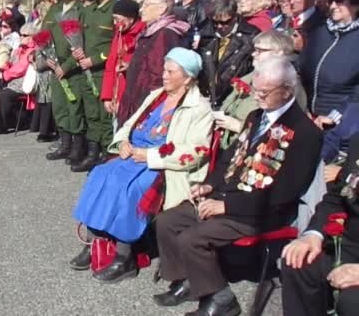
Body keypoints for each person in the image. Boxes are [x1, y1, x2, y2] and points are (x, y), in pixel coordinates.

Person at [153, 57, 322, 316]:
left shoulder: (304, 132)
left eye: (263, 92)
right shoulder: (257, 116)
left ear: (287, 90)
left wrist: (225, 205)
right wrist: (209, 186)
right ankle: (188, 279)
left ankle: (221, 299)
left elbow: (283, 193)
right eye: (255, 89)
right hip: (230, 196)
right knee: (167, 221)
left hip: (260, 212)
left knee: (192, 238)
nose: (256, 97)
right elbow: (229, 158)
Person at [70, 48, 212, 280]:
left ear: (187, 77)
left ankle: (124, 257)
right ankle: (95, 242)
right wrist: (123, 141)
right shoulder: (157, 96)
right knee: (99, 175)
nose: (163, 75)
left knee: (128, 187)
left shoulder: (199, 108)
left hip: (160, 164)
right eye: (164, 70)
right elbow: (130, 124)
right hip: (133, 154)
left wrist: (149, 156)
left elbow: (196, 151)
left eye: (170, 71)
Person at [281, 132, 359, 316]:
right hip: (351, 243)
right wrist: (313, 234)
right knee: (298, 261)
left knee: (352, 302)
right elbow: (336, 197)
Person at [216, 30, 307, 150]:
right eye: (255, 50)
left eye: (260, 51)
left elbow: (286, 130)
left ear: (279, 52)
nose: (253, 54)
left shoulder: (288, 86)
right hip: (229, 145)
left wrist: (239, 126)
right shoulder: (251, 76)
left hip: (257, 152)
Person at [116, 0, 190, 128]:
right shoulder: (151, 31)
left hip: (147, 103)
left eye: (146, 5)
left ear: (162, 9)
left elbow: (158, 72)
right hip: (135, 98)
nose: (141, 9)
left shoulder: (165, 33)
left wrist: (149, 106)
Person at [68, 0, 118, 172]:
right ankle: (92, 153)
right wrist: (78, 50)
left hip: (104, 71)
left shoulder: (116, 10)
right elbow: (84, 38)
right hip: (87, 72)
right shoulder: (91, 11)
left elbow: (117, 44)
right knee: (91, 115)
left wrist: (95, 59)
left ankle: (107, 155)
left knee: (104, 116)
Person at [300, 0, 359, 124]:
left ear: (355, 4)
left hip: (343, 125)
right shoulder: (320, 32)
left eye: (339, 1)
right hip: (309, 118)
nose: (332, 6)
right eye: (331, 1)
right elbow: (300, 67)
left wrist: (335, 116)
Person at [43, 0, 84, 162]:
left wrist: (67, 66)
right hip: (54, 66)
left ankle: (77, 147)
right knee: (59, 107)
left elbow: (83, 44)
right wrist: (44, 57)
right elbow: (42, 35)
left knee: (74, 108)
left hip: (73, 70)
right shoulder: (54, 9)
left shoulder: (82, 10)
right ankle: (64, 144)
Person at [197, 0, 259, 109]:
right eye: (215, 22)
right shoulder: (204, 33)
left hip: (235, 99)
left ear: (235, 17)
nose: (220, 26)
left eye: (225, 22)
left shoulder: (251, 35)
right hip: (207, 98)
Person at [101, 0, 146, 128]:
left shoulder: (142, 34)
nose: (115, 23)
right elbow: (110, 66)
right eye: (114, 19)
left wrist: (130, 65)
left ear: (131, 19)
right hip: (116, 93)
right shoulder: (119, 34)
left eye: (118, 19)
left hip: (131, 95)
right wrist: (107, 96)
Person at [0, 23, 39, 134]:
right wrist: (1, 69)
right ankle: (21, 119)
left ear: (32, 36)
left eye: (24, 35)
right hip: (14, 79)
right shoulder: (20, 48)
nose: (21, 37)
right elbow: (11, 62)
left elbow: (21, 68)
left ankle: (0, 125)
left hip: (25, 80)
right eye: (21, 34)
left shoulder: (33, 50)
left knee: (5, 94)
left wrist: (4, 75)